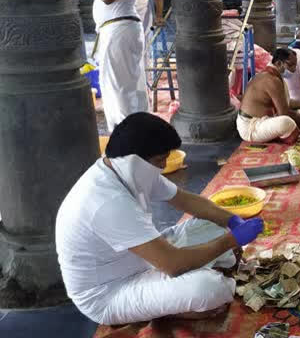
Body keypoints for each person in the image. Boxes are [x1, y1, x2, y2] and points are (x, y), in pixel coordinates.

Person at [56, 113, 265, 325]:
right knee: (209, 289)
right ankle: (169, 305)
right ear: (134, 161)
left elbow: (186, 200)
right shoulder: (106, 201)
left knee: (214, 224)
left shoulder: (124, 170)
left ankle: (177, 289)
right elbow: (173, 264)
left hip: (142, 258)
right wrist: (231, 240)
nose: (164, 167)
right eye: (159, 161)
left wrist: (232, 221)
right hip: (110, 293)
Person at [87, 0, 149, 132]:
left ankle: (126, 134)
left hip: (119, 30)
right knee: (128, 83)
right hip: (119, 29)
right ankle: (136, 131)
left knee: (117, 87)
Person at [237, 48, 300, 144]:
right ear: (278, 63)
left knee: (297, 115)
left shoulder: (274, 76)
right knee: (287, 122)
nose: (294, 69)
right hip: (251, 127)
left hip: (261, 120)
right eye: (290, 65)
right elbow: (284, 112)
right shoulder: (271, 80)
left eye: (295, 65)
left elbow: (285, 102)